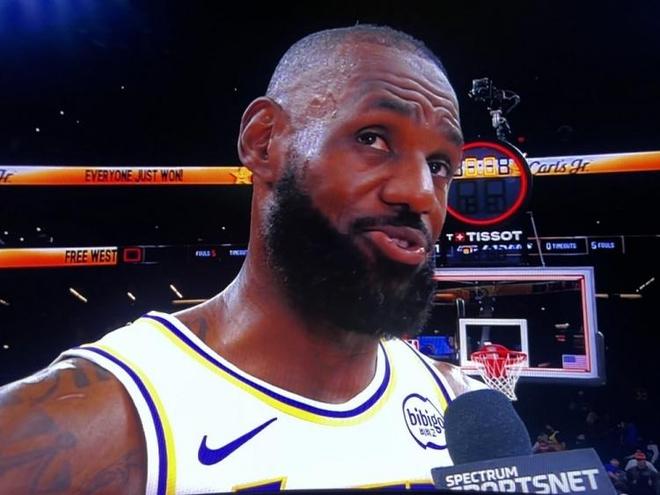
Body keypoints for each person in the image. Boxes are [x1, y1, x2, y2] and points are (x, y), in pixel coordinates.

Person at [0, 25, 481, 493]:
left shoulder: (459, 407)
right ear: (263, 141)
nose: (421, 193)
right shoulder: (86, 421)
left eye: (439, 165)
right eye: (373, 139)